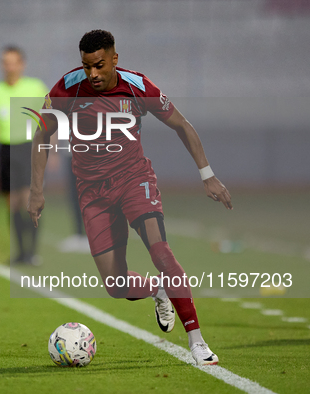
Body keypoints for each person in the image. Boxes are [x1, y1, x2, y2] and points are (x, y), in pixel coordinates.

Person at [28, 30, 232, 365]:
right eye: (86, 66)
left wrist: (207, 175)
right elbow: (41, 134)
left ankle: (197, 340)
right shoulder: (66, 88)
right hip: (92, 193)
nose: (92, 73)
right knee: (114, 284)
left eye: (99, 65)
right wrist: (37, 191)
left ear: (114, 59)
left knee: (160, 251)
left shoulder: (137, 86)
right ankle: (157, 290)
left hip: (134, 180)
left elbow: (181, 124)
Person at [0, 46, 48, 265]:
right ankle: (20, 251)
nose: (9, 66)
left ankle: (33, 251)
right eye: (5, 62)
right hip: (6, 150)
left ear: (22, 64)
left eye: (13, 62)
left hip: (29, 148)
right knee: (12, 205)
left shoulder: (35, 87)